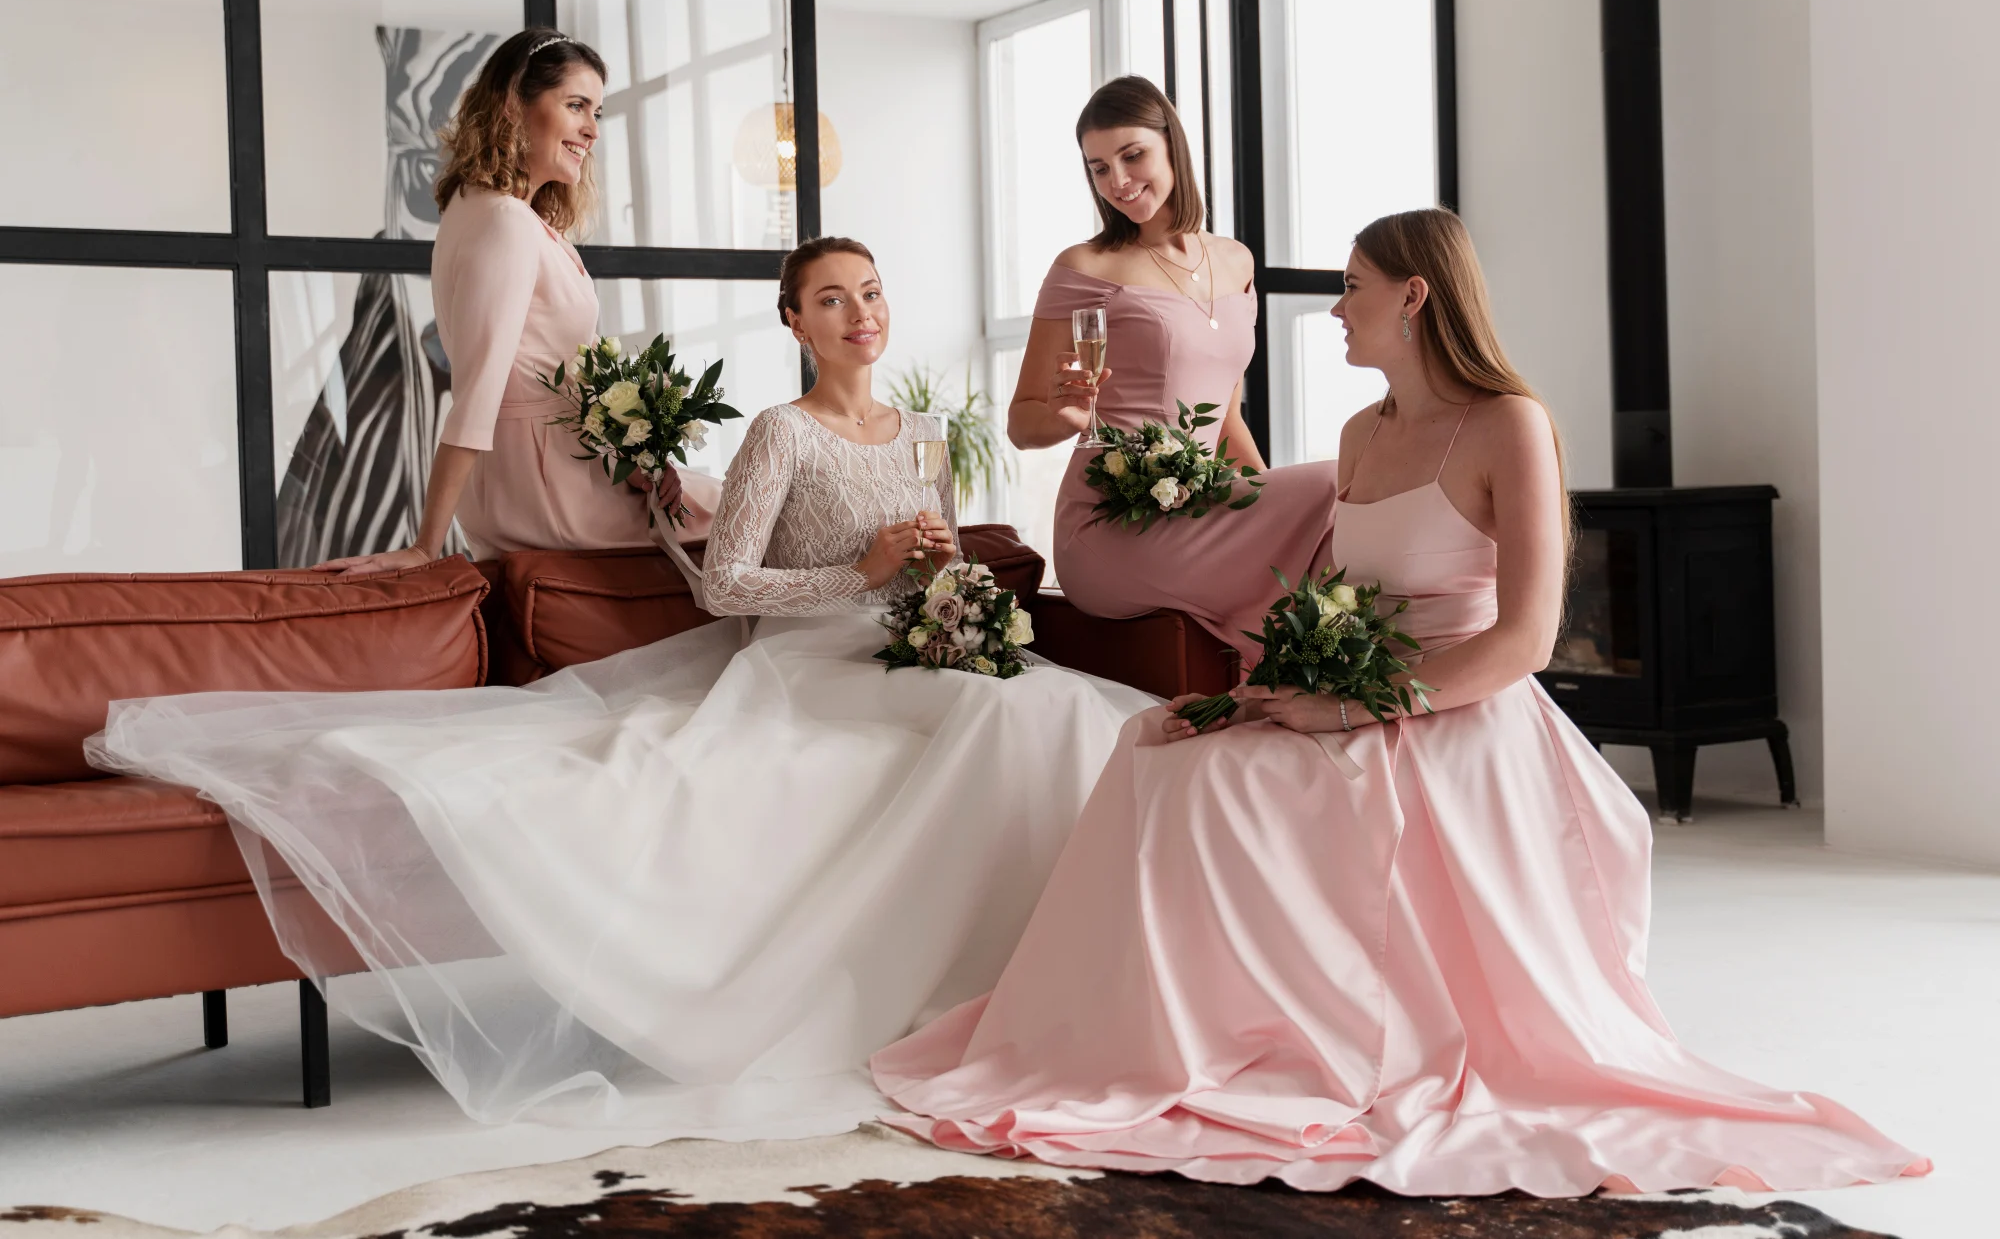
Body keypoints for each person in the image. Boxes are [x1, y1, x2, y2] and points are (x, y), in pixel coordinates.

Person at [873, 210, 1928, 1195]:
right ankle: (1161, 1038)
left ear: (1415, 299)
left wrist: (1358, 710)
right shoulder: (1359, 434)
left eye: (1351, 287)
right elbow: (1336, 596)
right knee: (1157, 746)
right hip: (1354, 684)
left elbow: (1524, 637)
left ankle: (1298, 1040)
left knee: (1219, 796)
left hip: (1454, 710)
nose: (1333, 307)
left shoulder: (1509, 424)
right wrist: (1272, 689)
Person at [87, 238, 1154, 1134]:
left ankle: (1076, 986)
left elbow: (942, 557)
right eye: (831, 297)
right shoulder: (779, 434)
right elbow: (726, 584)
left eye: (869, 293)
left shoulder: (922, 434)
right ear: (794, 321)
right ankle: (990, 990)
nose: (858, 312)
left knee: (1058, 700)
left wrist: (938, 583)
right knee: (1017, 707)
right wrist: (861, 572)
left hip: (911, 647)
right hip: (813, 660)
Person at [321, 27, 716, 574]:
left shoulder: (485, 210)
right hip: (542, 486)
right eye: (576, 105)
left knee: (737, 505)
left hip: (552, 470)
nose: (591, 130)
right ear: (513, 104)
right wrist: (425, 547)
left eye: (597, 112)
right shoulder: (505, 221)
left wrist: (633, 461)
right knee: (753, 517)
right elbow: (478, 393)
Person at [1005, 76, 1338, 655]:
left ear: (1172, 145)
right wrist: (1068, 415)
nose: (1119, 181)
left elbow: (1226, 423)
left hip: (1199, 507)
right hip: (1111, 528)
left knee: (1343, 504)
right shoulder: (1085, 266)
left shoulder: (1235, 261)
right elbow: (1023, 422)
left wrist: (1268, 499)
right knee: (1337, 480)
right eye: (1099, 168)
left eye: (1132, 156)